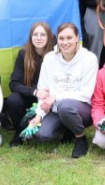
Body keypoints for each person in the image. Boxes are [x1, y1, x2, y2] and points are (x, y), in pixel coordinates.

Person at [30, 22, 98, 158]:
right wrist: (38, 115)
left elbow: (86, 94)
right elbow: (43, 90)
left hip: (81, 108)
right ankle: (69, 128)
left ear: (77, 38)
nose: (65, 42)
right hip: (56, 109)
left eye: (69, 38)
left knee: (65, 106)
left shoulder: (89, 59)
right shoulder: (49, 58)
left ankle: (80, 138)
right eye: (61, 38)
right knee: (42, 135)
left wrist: (56, 96)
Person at [5, 21, 52, 146]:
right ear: (30, 37)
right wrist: (35, 91)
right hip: (30, 97)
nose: (38, 38)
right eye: (35, 34)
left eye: (42, 35)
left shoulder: (55, 55)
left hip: (49, 100)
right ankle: (20, 131)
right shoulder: (23, 54)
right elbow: (14, 83)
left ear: (49, 37)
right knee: (12, 99)